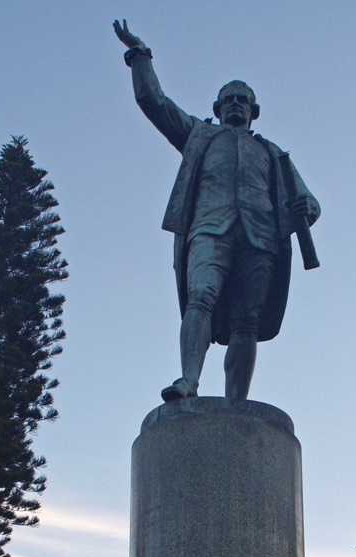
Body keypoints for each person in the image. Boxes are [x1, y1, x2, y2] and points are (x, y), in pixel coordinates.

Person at [114, 20, 320, 402]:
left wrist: (309, 205)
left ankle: (237, 402)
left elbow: (306, 201)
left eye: (243, 100)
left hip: (260, 238)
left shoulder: (273, 154)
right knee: (200, 297)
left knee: (248, 323)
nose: (236, 105)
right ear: (218, 108)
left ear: (254, 110)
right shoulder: (199, 135)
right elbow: (153, 103)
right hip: (209, 229)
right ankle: (188, 381)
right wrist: (139, 55)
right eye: (230, 100)